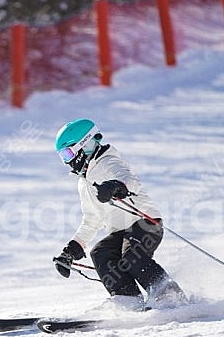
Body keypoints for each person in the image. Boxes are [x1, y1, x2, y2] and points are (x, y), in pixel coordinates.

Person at [52, 118, 187, 309]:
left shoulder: (108, 161)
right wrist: (73, 248)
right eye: (62, 157)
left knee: (132, 256)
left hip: (145, 222)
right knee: (101, 252)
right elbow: (92, 219)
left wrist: (117, 186)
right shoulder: (84, 181)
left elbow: (132, 181)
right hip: (120, 231)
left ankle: (171, 297)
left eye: (67, 154)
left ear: (82, 146)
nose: (67, 162)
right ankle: (129, 299)